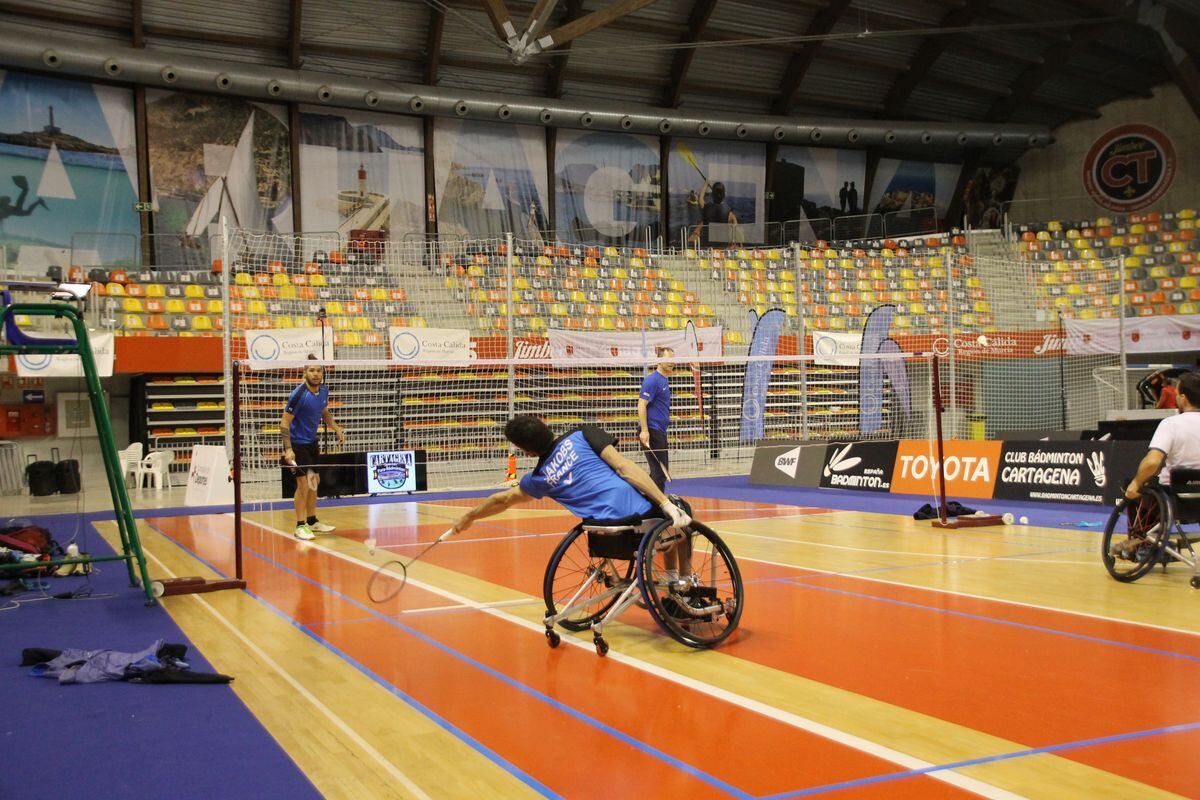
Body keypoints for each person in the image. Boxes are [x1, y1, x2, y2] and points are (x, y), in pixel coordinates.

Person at [452, 416, 695, 586]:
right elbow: (624, 468)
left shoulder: (538, 479)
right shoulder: (582, 434)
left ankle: (672, 577)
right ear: (545, 425)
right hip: (638, 523)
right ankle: (684, 582)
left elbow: (502, 500)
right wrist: (665, 502)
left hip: (604, 536)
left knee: (665, 524)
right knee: (680, 512)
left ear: (527, 452)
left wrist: (470, 515)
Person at [281, 357, 346, 540]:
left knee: (314, 482)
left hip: (311, 443)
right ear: (305, 372)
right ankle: (299, 526)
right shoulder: (299, 394)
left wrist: (336, 427)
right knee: (303, 485)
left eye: (318, 370)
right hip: (297, 444)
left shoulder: (324, 391)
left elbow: (324, 411)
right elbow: (284, 423)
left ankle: (311, 521)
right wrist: (288, 449)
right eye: (312, 370)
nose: (316, 374)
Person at [1124, 371, 1200, 502]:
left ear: (1183, 398)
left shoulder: (1171, 423)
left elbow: (1152, 462)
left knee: (1131, 484)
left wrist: (1136, 483)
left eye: (1176, 395)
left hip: (1174, 497)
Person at [638, 346, 673, 492]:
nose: (672, 363)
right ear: (659, 360)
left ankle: (650, 502)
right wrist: (645, 431)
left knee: (658, 472)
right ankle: (657, 506)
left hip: (660, 431)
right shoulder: (652, 381)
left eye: (673, 360)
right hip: (652, 431)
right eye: (668, 360)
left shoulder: (664, 380)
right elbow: (641, 405)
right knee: (660, 473)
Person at [696, 182, 739, 247]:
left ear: (712, 195)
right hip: (722, 248)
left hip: (707, 247)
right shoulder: (731, 215)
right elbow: (735, 230)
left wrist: (706, 184)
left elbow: (700, 198)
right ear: (724, 195)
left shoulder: (705, 208)